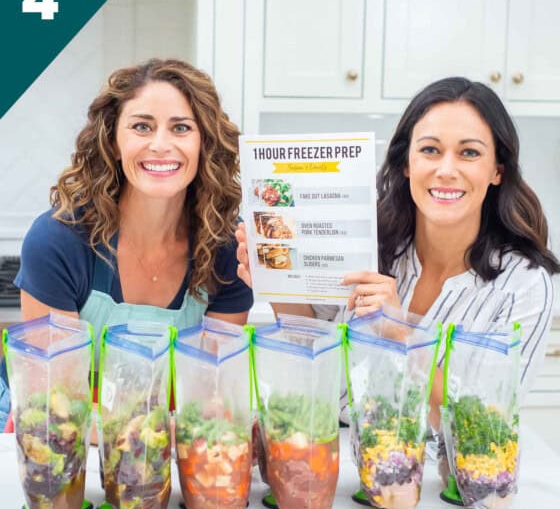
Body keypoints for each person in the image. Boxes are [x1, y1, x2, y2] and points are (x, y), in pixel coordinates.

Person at [236, 76, 559, 415]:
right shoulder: (367, 243)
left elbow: (485, 427)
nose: (446, 170)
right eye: (430, 150)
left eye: (469, 153)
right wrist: (277, 284)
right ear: (407, 163)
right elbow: (312, 349)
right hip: (334, 455)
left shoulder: (524, 285)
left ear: (497, 171)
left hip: (437, 468)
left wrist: (400, 331)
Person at [0, 58, 252, 430]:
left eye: (181, 128)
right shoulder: (59, 240)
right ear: (114, 143)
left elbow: (206, 394)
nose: (161, 145)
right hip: (48, 432)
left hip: (156, 440)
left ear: (204, 144)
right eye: (141, 127)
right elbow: (58, 403)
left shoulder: (227, 247)